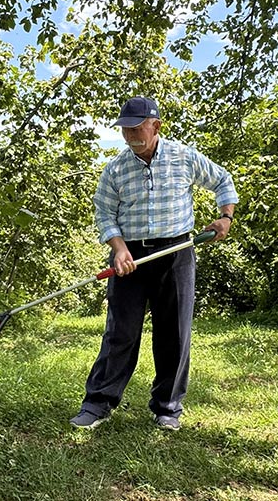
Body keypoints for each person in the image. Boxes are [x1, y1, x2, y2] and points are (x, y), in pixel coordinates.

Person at [70, 96, 236, 431]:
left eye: (136, 128)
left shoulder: (183, 157)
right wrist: (118, 248)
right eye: (125, 130)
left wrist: (224, 218)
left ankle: (168, 408)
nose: (130, 135)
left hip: (176, 252)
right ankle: (98, 404)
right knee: (121, 331)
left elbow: (223, 181)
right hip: (129, 256)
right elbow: (104, 212)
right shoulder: (116, 168)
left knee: (173, 332)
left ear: (155, 125)